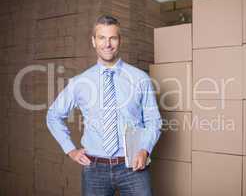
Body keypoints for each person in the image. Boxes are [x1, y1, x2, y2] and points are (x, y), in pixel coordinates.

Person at [46, 14, 162, 196]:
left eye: (112, 38)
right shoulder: (80, 82)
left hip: (133, 166)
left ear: (119, 41)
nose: (107, 44)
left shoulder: (140, 79)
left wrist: (145, 149)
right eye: (102, 38)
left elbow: (153, 120)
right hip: (94, 170)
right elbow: (53, 115)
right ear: (93, 41)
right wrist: (70, 150)